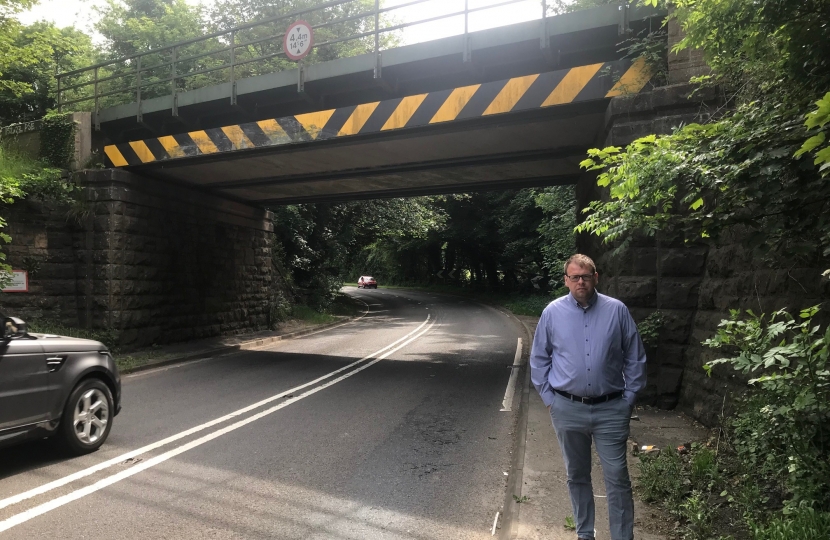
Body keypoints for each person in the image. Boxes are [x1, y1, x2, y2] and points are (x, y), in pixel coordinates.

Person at [530, 253, 647, 540]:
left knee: (618, 477)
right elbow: (539, 359)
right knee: (577, 475)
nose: (580, 281)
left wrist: (629, 398)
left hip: (611, 409)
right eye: (574, 277)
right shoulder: (552, 313)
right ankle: (585, 534)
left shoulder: (616, 310)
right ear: (566, 280)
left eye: (585, 276)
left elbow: (635, 356)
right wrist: (550, 399)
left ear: (596, 278)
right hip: (567, 408)